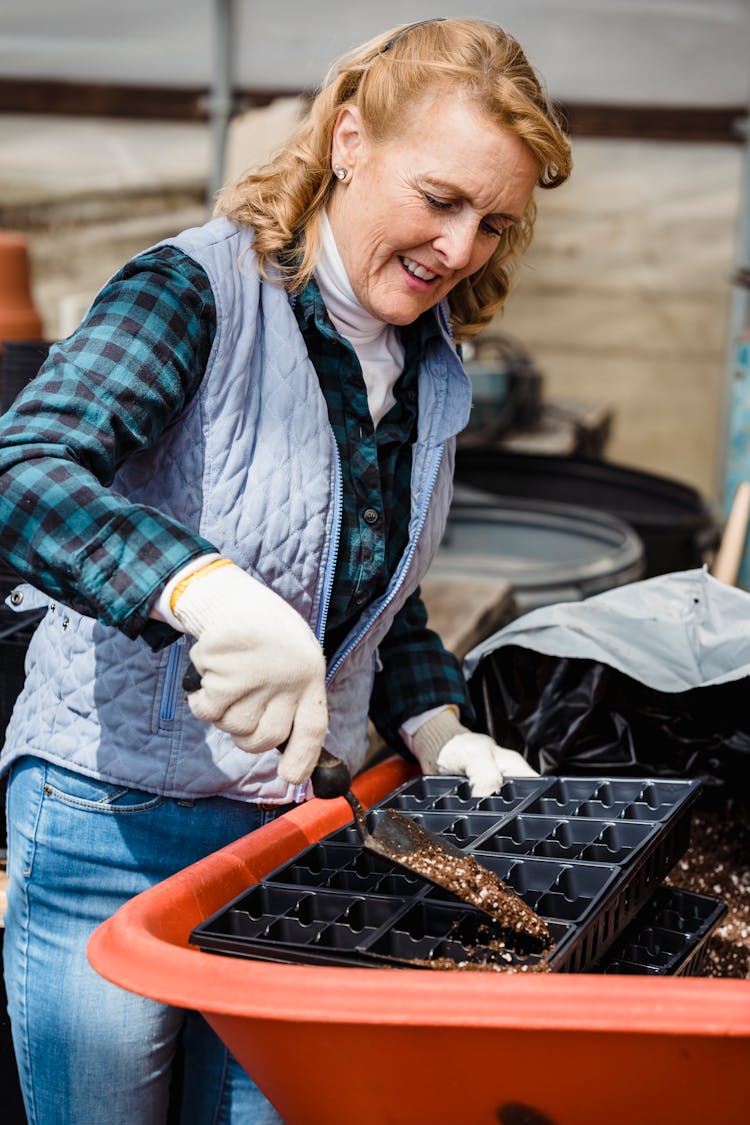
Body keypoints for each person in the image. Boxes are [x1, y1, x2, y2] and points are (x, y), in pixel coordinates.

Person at [0, 17, 571, 1125]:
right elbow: (26, 470)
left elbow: (372, 598)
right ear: (349, 139)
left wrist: (440, 728)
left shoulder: (428, 362)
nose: (460, 250)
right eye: (441, 200)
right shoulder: (195, 292)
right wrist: (200, 590)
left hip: (288, 842)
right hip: (111, 828)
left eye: (495, 223)